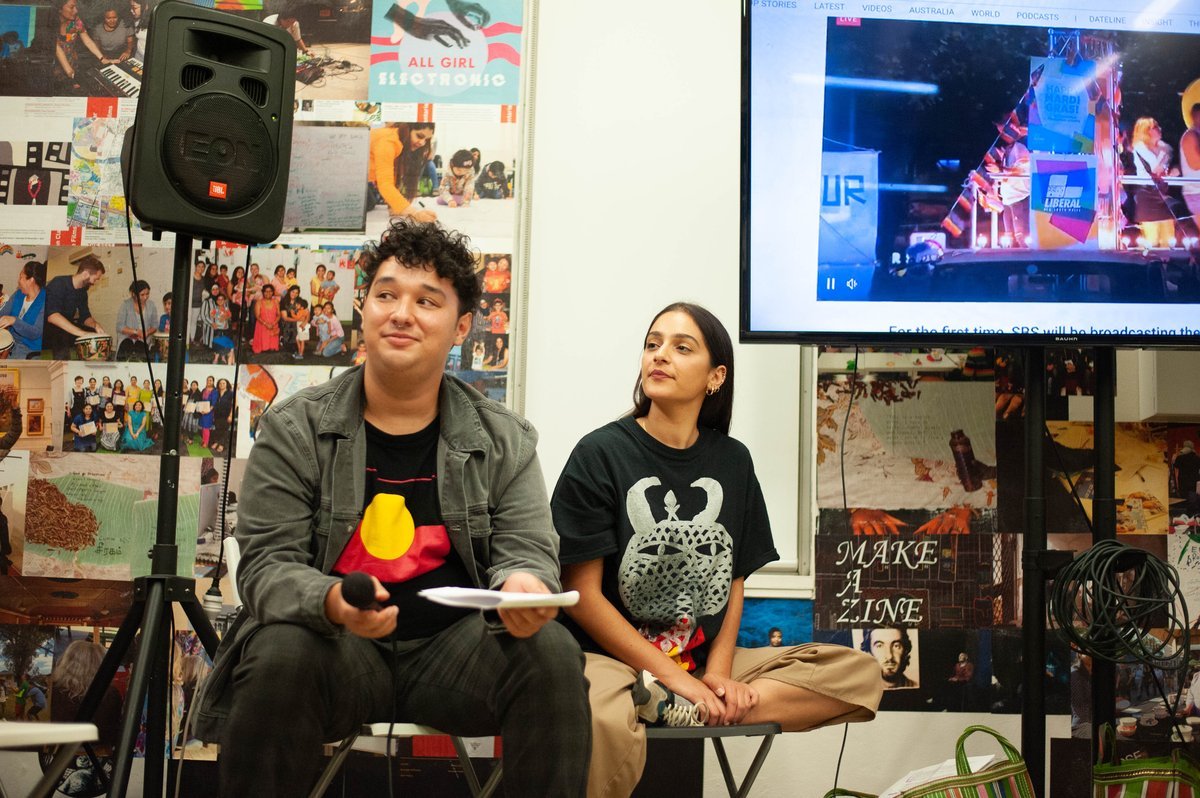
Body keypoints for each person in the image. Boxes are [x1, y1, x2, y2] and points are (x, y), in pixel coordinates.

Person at [192, 218, 590, 797]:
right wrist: (331, 601)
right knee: (279, 647)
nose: (402, 313)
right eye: (386, 295)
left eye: (427, 301)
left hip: (457, 653)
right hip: (337, 650)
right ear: (365, 310)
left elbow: (526, 548)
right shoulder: (294, 427)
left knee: (551, 650)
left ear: (461, 326)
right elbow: (266, 569)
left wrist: (524, 586)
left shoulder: (505, 439)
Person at [551, 302, 881, 797]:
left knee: (859, 672)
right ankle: (659, 699)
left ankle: (679, 706)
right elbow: (583, 595)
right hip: (609, 661)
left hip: (696, 662)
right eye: (652, 344)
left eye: (682, 348)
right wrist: (673, 678)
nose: (660, 356)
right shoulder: (600, 453)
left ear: (715, 377)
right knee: (602, 717)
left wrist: (719, 677)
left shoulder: (733, 459)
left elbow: (733, 581)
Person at [368, 123, 438, 222]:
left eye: (426, 139)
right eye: (419, 136)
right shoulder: (388, 142)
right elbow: (385, 184)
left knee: (370, 201)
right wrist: (414, 213)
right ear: (407, 130)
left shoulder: (398, 142)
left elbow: (392, 177)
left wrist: (397, 206)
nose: (422, 143)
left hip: (363, 182)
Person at [44, 251, 107, 359]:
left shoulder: (83, 292)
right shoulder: (58, 283)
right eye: (95, 279)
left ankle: (89, 364)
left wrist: (95, 325)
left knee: (92, 332)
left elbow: (85, 316)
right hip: (49, 329)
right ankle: (63, 368)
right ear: (86, 274)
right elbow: (53, 316)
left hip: (66, 327)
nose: (95, 282)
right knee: (61, 335)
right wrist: (82, 333)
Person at [1131, 116, 1177, 248]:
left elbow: (1163, 171)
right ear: (1146, 132)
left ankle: (1166, 266)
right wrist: (1164, 153)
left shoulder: (1164, 149)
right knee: (1151, 239)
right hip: (1147, 195)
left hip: (1162, 193)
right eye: (1155, 127)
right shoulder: (1140, 148)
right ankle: (1150, 267)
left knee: (1168, 237)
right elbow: (1155, 168)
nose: (1159, 129)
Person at [53, 0, 107, 93]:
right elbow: (58, 50)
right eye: (71, 7)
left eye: (76, 7)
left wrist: (102, 58)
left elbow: (87, 41)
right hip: (54, 70)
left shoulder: (76, 20)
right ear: (59, 9)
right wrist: (71, 75)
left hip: (72, 65)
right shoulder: (50, 24)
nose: (76, 10)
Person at [0, 260, 46, 359]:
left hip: (29, 349)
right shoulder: (19, 294)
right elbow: (3, 313)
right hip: (12, 342)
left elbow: (35, 333)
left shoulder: (45, 301)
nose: (19, 281)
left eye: (21, 277)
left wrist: (14, 321)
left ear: (31, 280)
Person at [996, 138, 1031, 246]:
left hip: (1018, 196)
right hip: (1007, 198)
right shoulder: (1005, 154)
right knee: (1008, 235)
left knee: (1020, 234)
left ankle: (1026, 256)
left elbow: (1021, 169)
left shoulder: (1019, 148)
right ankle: (1008, 258)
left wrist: (1001, 169)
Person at [115, 278, 158, 361]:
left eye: (147, 294)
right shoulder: (125, 305)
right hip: (127, 338)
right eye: (142, 295)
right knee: (127, 348)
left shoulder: (151, 305)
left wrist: (147, 332)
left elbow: (155, 325)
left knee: (141, 353)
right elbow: (120, 326)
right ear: (134, 294)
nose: (145, 297)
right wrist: (135, 332)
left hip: (143, 340)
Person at [251, 284, 280, 354]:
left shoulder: (276, 301)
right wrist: (266, 324)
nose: (268, 293)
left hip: (273, 325)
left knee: (273, 350)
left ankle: (272, 346)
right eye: (266, 291)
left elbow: (279, 314)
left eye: (270, 291)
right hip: (262, 325)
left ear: (273, 292)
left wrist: (273, 323)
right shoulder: (259, 302)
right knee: (262, 349)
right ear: (263, 292)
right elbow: (257, 316)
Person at [210, 377, 234, 456]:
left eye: (223, 383)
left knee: (225, 430)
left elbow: (234, 405)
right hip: (217, 414)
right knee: (217, 429)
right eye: (220, 383)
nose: (221, 384)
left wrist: (231, 415)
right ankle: (217, 442)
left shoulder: (230, 393)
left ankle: (222, 445)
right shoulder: (216, 393)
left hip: (226, 415)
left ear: (227, 384)